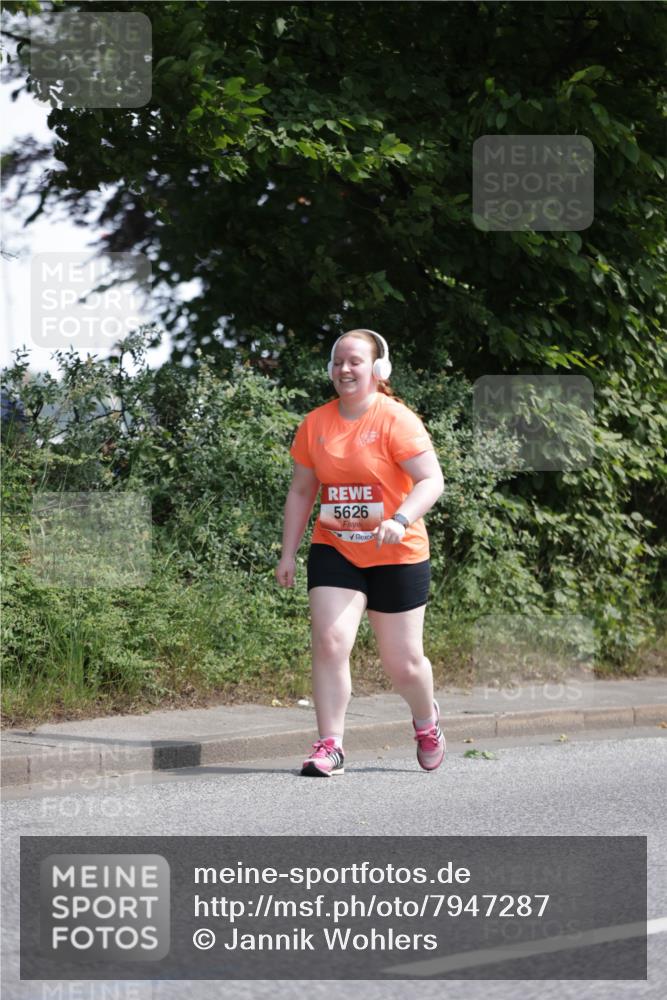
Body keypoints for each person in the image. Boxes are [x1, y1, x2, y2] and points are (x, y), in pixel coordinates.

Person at [275, 328, 446, 777]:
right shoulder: (316, 424)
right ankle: (330, 745)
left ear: (377, 369)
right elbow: (301, 490)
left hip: (397, 552)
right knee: (330, 641)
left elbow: (431, 480)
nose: (345, 369)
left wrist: (400, 519)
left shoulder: (396, 419)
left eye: (355, 361)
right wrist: (288, 552)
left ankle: (426, 721)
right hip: (336, 547)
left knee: (403, 664)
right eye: (338, 362)